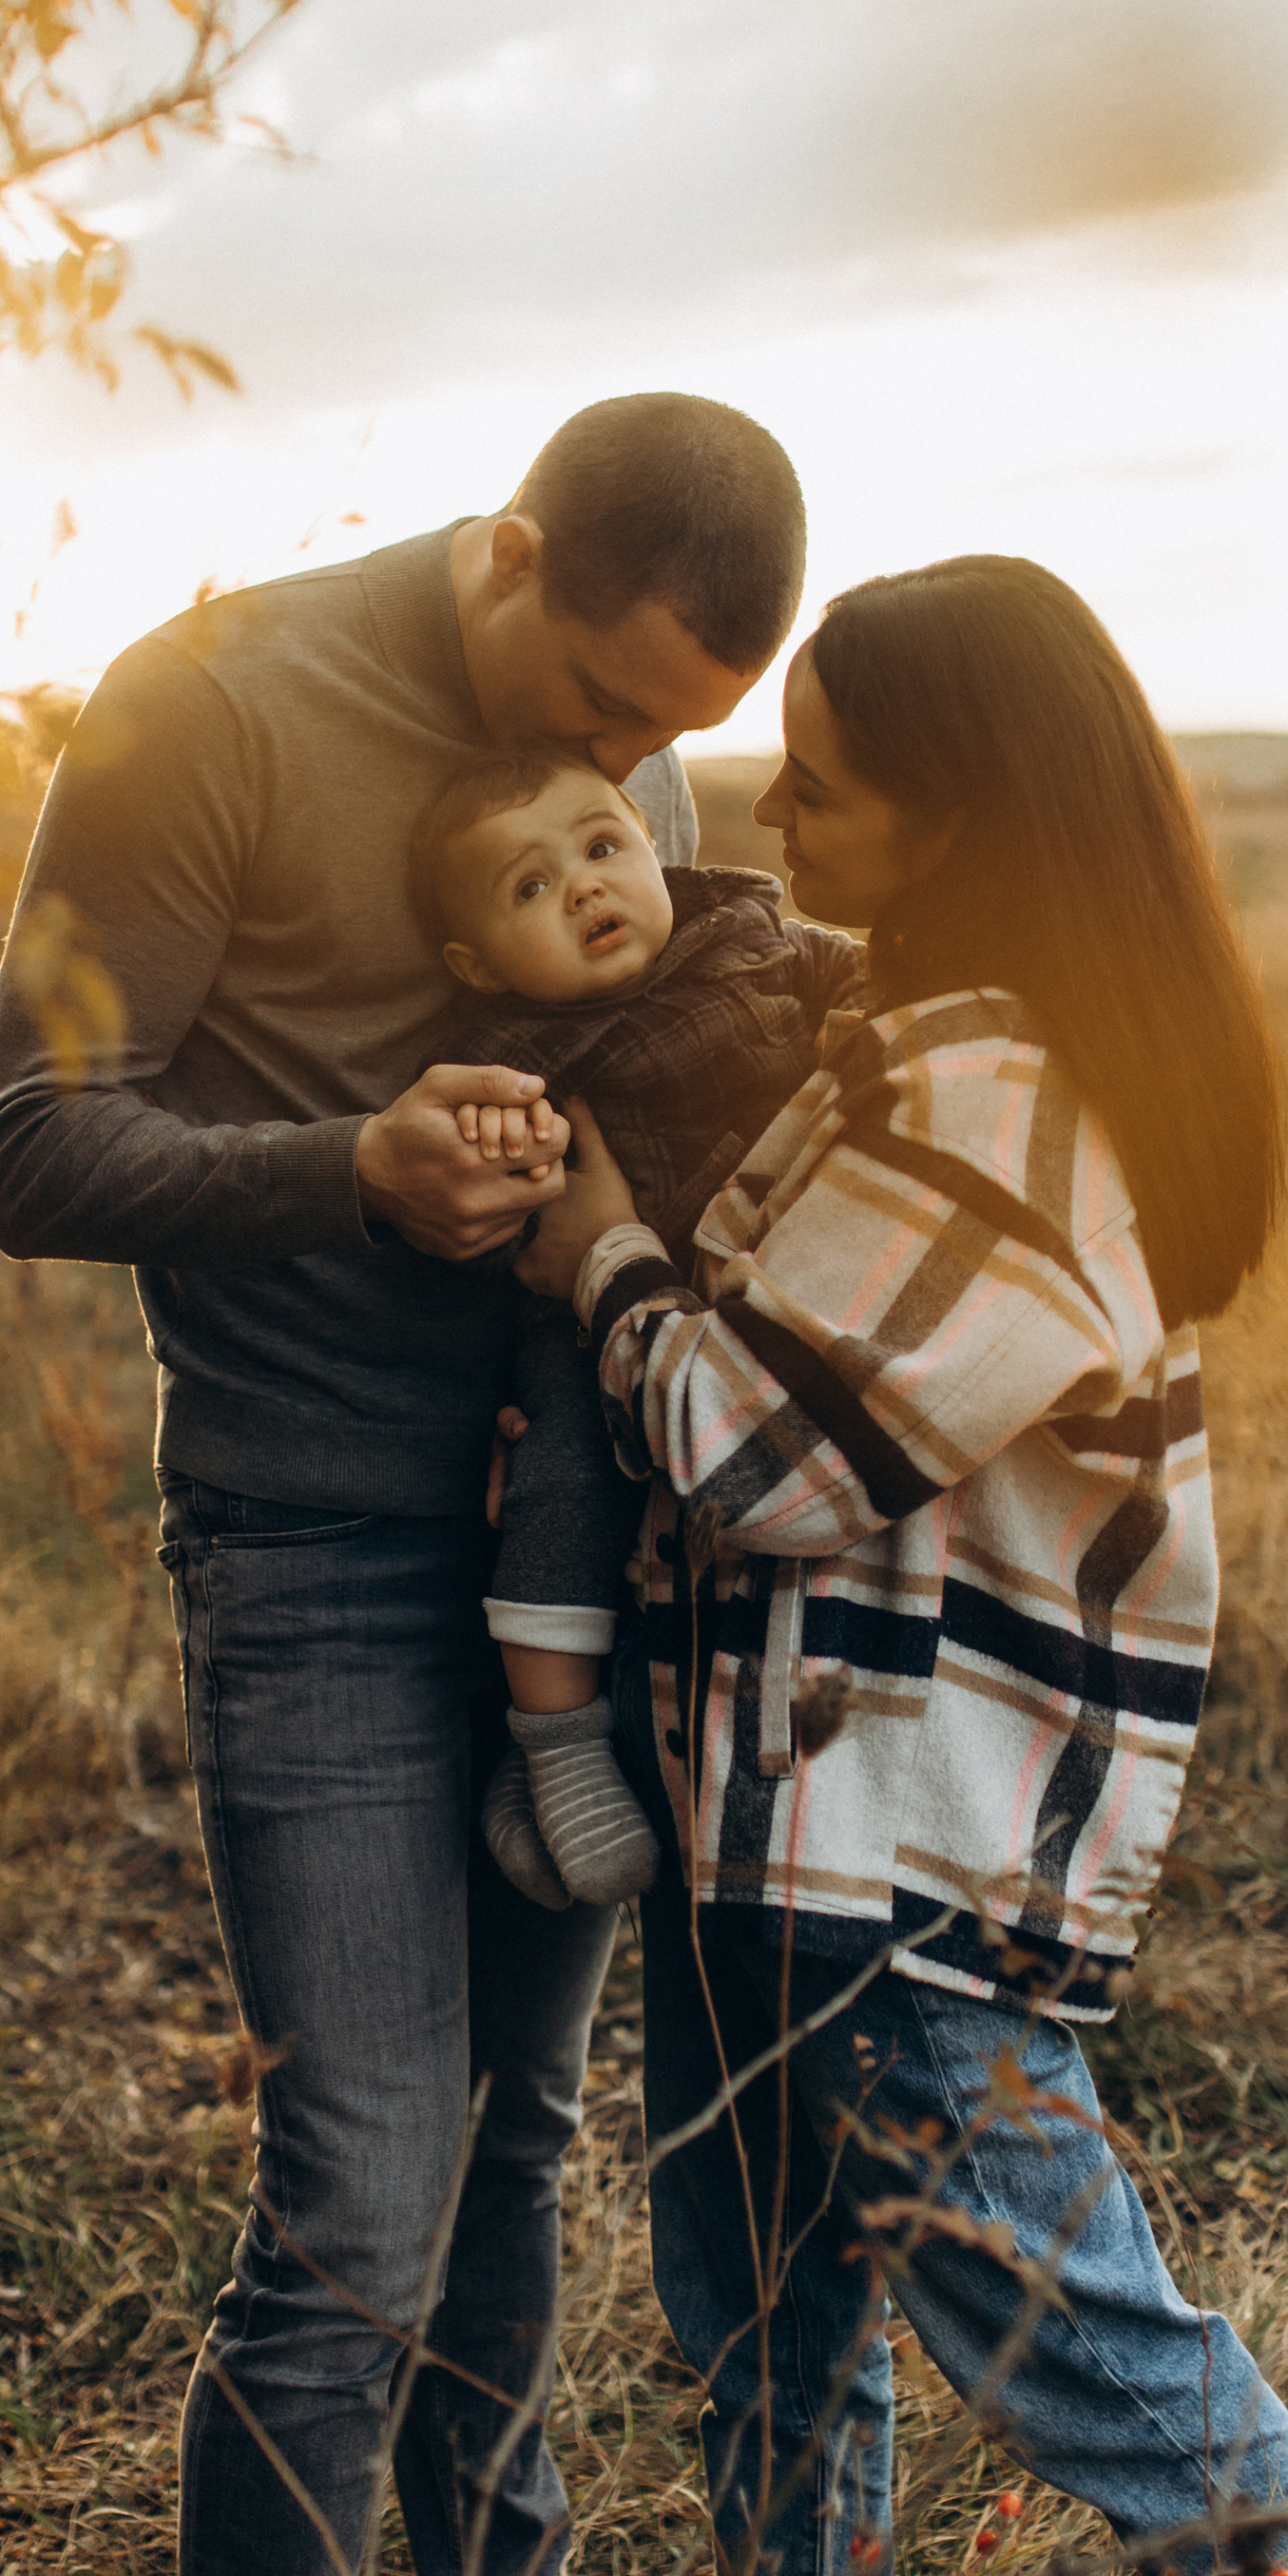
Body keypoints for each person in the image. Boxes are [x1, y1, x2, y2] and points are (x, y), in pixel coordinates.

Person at [513, 552, 1288, 2576]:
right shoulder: (903, 1046)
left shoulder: (997, 1103)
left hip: (895, 1852)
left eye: (824, 784)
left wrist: (599, 1256)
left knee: (1090, 2357)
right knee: (766, 2327)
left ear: (964, 815)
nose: (767, 811)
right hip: (772, 1822)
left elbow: (760, 1455)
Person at [0, 395, 808, 2576]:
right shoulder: (203, 708)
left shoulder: (624, 750)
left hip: (584, 1553)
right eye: (599, 701)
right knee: (352, 2204)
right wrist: (346, 1168)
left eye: (667, 739)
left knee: (520, 2135)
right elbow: (29, 1145)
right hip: (318, 1552)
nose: (625, 772)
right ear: (508, 549)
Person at [408, 742, 863, 1911]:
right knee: (560, 1480)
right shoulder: (512, 1052)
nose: (584, 889)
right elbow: (476, 1188)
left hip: (747, 1309)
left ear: (653, 847)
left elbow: (865, 985)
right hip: (584, 1319)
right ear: (478, 963)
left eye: (602, 848)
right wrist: (510, 1146)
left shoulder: (751, 939)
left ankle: (550, 1766)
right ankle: (556, 1748)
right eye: (530, 887)